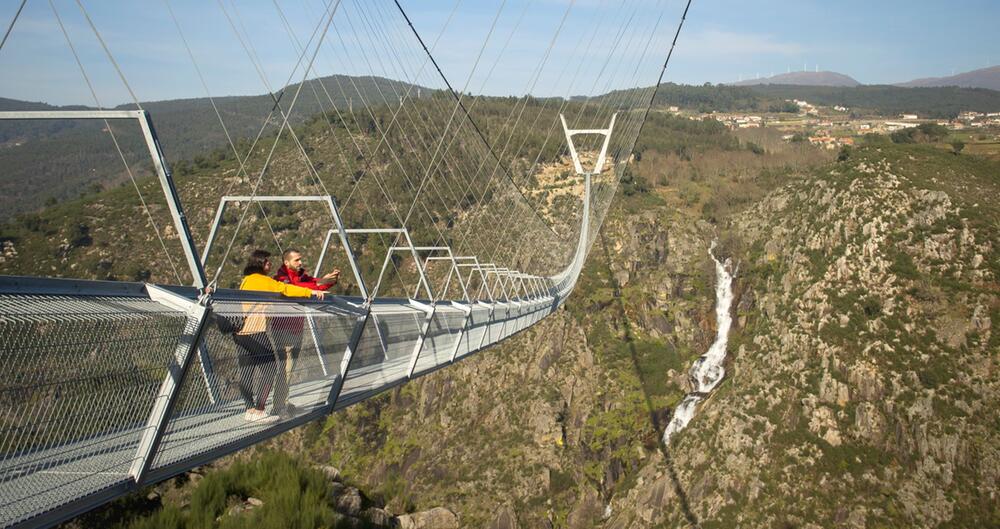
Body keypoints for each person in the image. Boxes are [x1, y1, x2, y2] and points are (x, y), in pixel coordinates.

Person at [234, 249, 323, 424]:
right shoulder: (263, 281)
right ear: (259, 264)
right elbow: (285, 289)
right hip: (256, 330)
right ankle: (259, 410)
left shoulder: (246, 281)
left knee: (246, 371)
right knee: (271, 368)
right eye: (267, 262)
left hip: (240, 332)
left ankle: (249, 409)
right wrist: (310, 293)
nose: (270, 265)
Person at [270, 249, 340, 415]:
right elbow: (297, 289)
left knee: (289, 368)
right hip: (283, 329)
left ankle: (282, 403)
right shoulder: (281, 278)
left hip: (296, 327)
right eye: (297, 260)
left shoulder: (301, 277)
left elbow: (315, 284)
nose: (300, 263)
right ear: (287, 263)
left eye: (300, 259)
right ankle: (279, 407)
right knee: (285, 368)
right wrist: (319, 283)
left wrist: (330, 279)